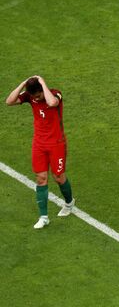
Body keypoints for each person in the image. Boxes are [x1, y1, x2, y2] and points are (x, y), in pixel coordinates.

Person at [5, 76, 75, 229]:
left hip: (57, 143)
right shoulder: (30, 97)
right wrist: (23, 84)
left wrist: (43, 83)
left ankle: (69, 203)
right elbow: (9, 101)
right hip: (39, 144)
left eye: (38, 95)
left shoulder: (55, 94)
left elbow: (51, 103)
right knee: (41, 178)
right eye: (34, 96)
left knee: (58, 177)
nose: (36, 98)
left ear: (42, 89)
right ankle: (44, 217)